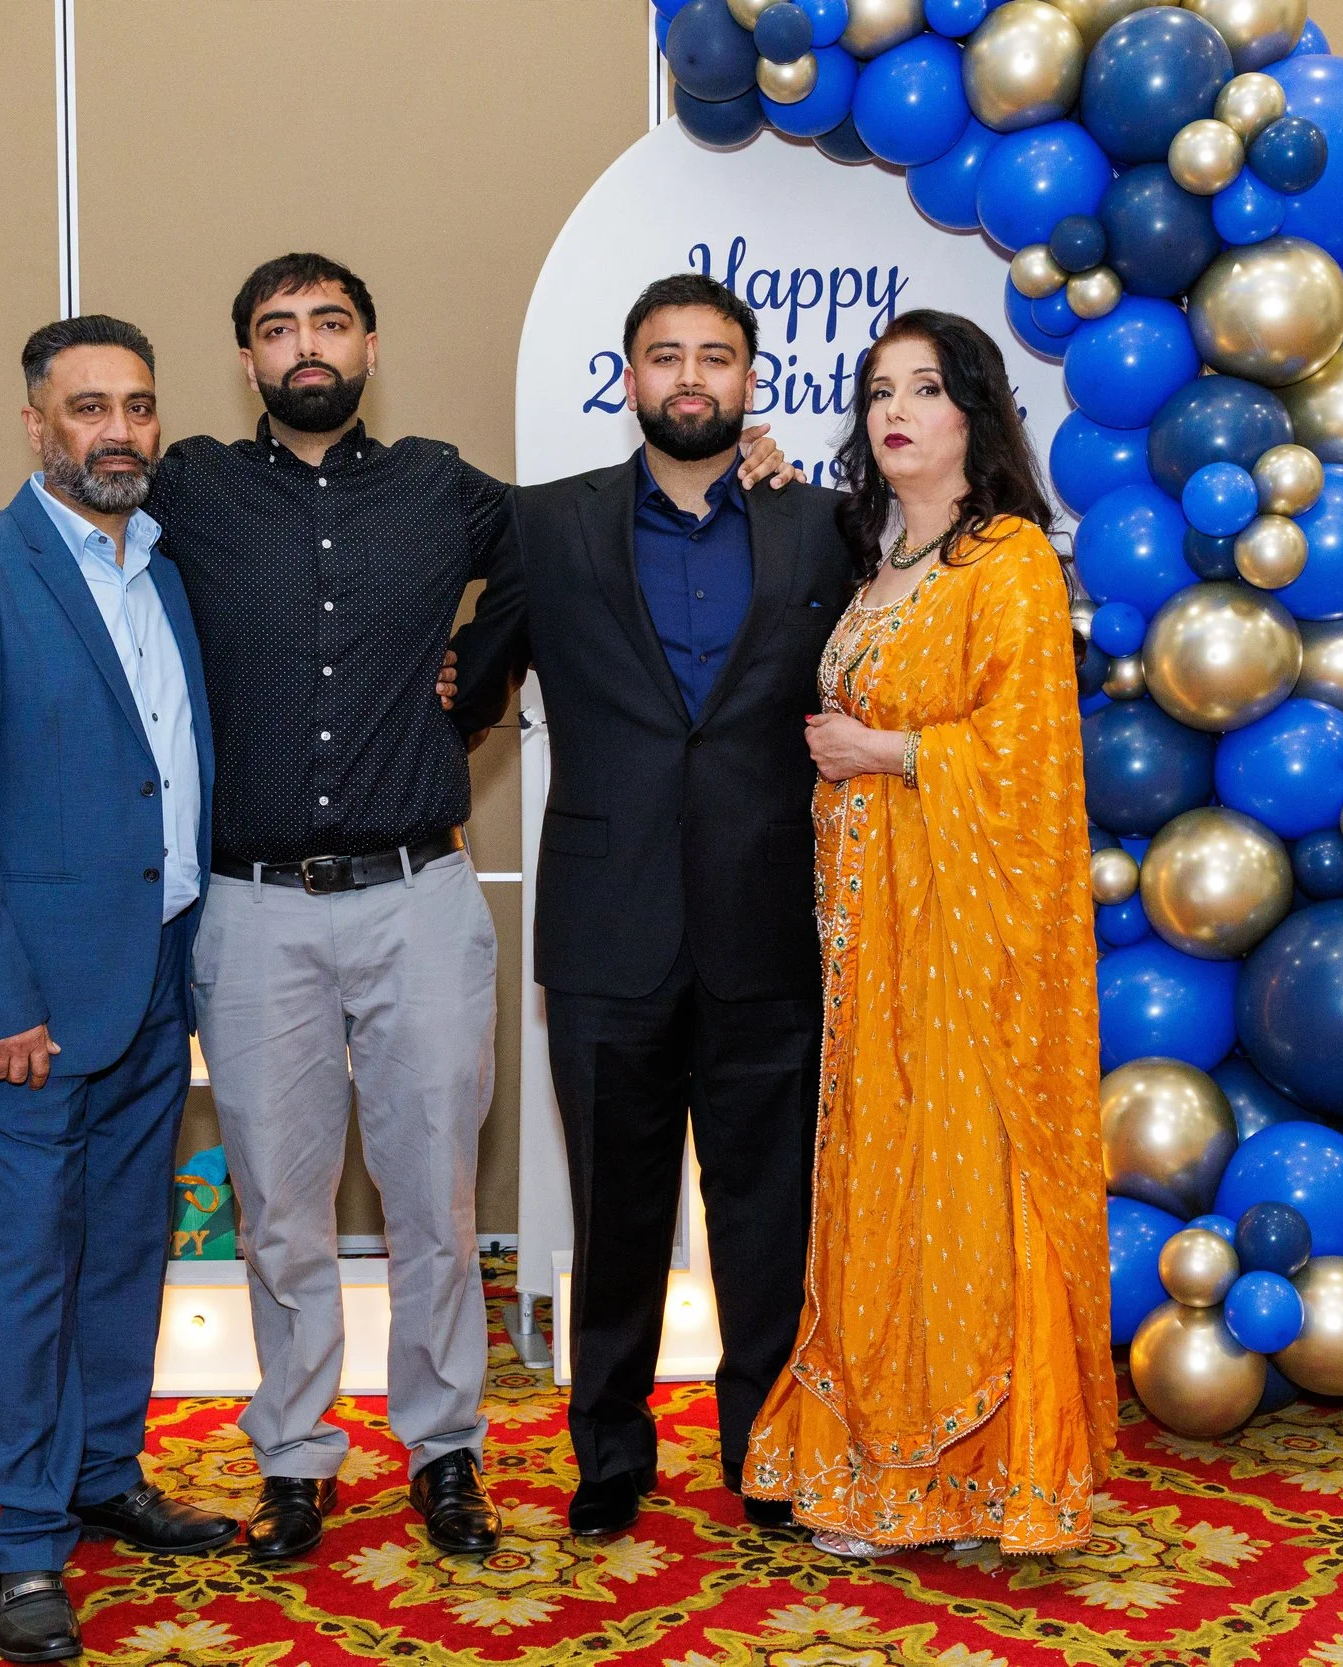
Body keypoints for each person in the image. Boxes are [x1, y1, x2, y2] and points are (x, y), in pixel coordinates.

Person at [0, 255, 794, 1564]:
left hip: (417, 895)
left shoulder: (444, 488)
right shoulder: (183, 482)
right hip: (253, 916)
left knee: (430, 1198)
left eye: (331, 323)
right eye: (276, 329)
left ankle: (445, 1449)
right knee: (281, 1207)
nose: (306, 346)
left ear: (370, 343)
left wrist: (736, 471)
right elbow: (49, 524)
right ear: (245, 360)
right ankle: (297, 1455)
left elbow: (593, 528)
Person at [448, 274, 855, 1538]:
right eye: (666, 356)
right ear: (628, 379)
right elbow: (465, 699)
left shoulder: (823, 528)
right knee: (613, 1211)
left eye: (716, 357)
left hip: (770, 923)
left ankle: (766, 1451)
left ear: (750, 379)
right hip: (605, 922)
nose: (692, 377)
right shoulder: (545, 525)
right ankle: (610, 1455)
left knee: (767, 1216)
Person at [0, 315, 236, 1665]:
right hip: (28, 1003)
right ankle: (25, 1541)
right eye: (88, 407)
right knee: (31, 1270)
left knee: (129, 1244)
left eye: (138, 405)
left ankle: (104, 1471)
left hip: (155, 973)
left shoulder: (168, 561)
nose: (118, 430)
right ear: (36, 425)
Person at [740, 310, 1113, 1560]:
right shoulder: (879, 556)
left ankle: (979, 1477)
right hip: (867, 940)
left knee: (957, 1184)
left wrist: (893, 751)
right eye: (877, 390)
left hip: (961, 940)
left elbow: (1028, 759)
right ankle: (883, 1470)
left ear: (973, 412)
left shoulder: (1003, 559)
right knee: (879, 1184)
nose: (894, 409)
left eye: (924, 388)